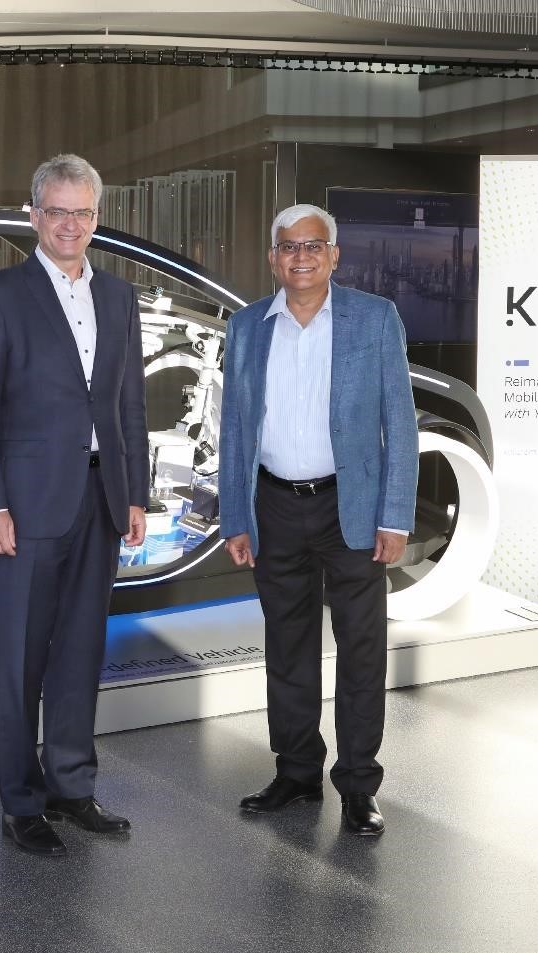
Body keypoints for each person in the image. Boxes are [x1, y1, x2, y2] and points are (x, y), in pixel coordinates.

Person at [0, 154, 148, 856]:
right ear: (34, 215)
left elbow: (130, 406)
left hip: (101, 500)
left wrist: (135, 495)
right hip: (26, 506)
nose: (70, 224)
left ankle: (72, 786)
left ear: (97, 217)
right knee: (20, 660)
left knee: (79, 651)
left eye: (83, 212)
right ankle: (22, 802)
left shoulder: (120, 297)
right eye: (58, 211)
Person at [218, 203, 418, 836]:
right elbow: (234, 429)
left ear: (334, 256)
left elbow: (400, 422)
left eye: (313, 246)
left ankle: (358, 785)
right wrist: (235, 515)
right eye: (288, 246)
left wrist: (395, 515)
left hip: (349, 506)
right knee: (287, 647)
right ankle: (297, 771)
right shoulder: (247, 326)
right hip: (274, 506)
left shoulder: (374, 318)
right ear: (273, 258)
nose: (300, 257)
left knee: (361, 650)